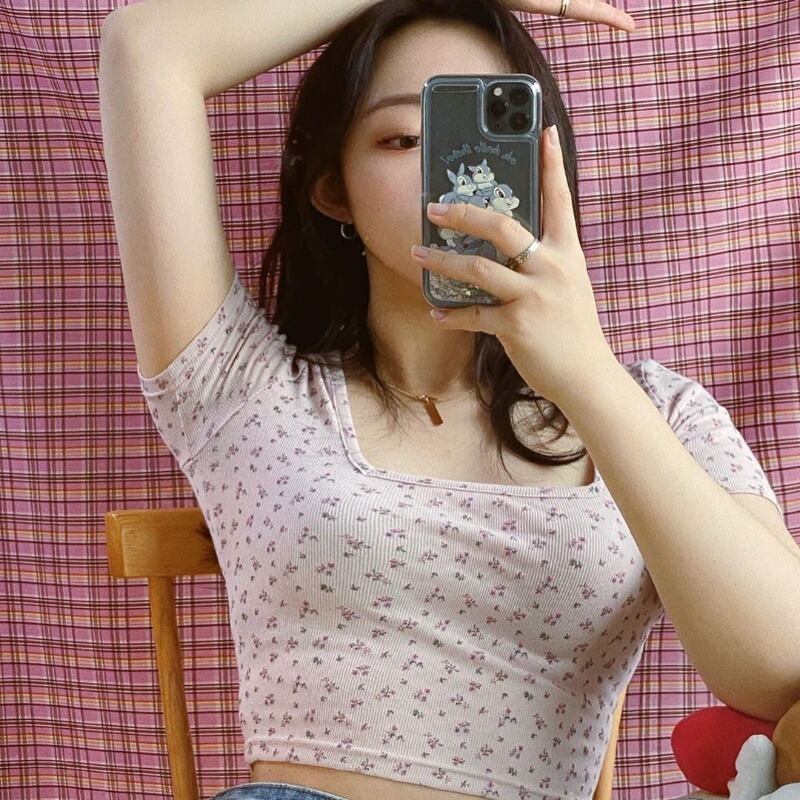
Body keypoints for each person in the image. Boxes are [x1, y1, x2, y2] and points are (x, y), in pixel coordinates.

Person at [100, 1, 791, 799]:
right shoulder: (240, 386)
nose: (455, 171)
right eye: (403, 138)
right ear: (333, 188)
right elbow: (145, 47)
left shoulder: (658, 412)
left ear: (543, 166)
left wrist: (586, 376)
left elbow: (783, 670)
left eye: (490, 133)